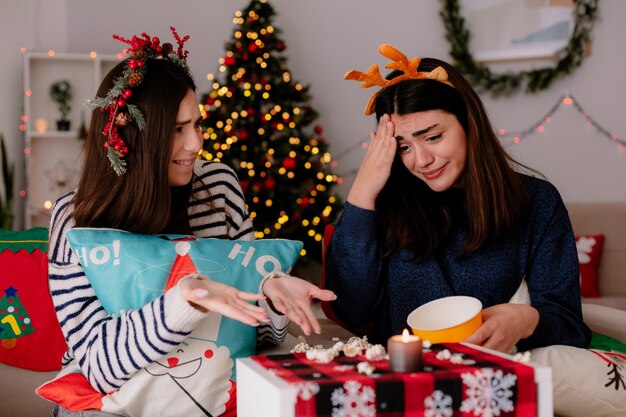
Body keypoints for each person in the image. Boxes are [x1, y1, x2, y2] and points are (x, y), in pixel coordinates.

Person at [44, 28, 335, 416]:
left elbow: (260, 336)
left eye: (196, 125)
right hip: (110, 403)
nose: (196, 143)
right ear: (131, 137)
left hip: (213, 385)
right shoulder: (74, 220)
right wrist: (184, 301)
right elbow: (99, 366)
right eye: (177, 130)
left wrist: (271, 293)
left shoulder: (218, 188)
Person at [325, 44, 591, 354]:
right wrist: (362, 193)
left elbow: (571, 328)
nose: (421, 160)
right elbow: (351, 311)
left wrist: (528, 320)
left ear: (468, 124)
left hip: (494, 382)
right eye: (403, 147)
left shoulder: (538, 202)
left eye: (433, 137)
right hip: (403, 383)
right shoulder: (383, 204)